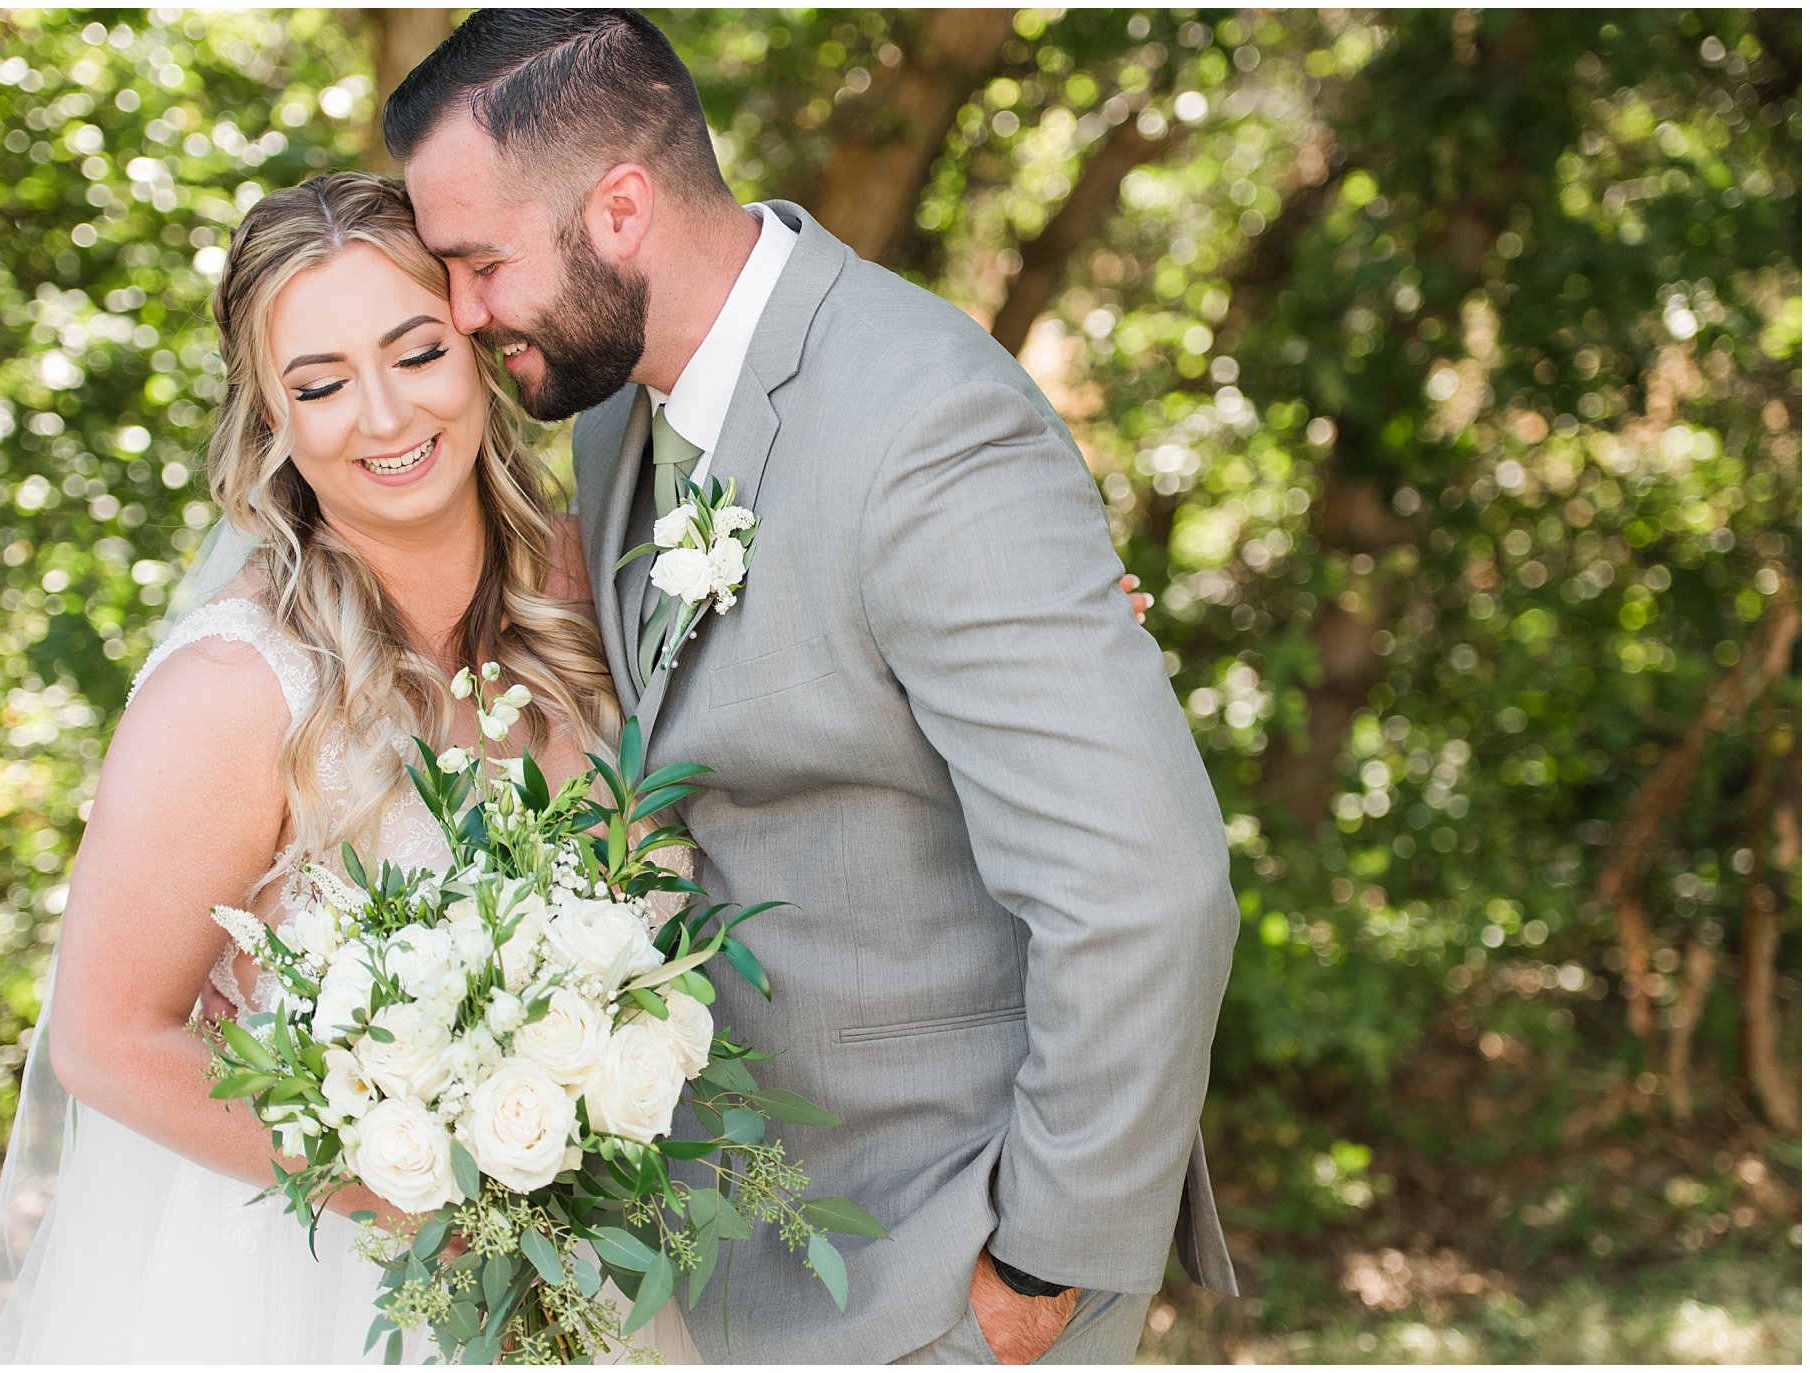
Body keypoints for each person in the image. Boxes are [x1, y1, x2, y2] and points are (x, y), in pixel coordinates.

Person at [384, 9, 1241, 1365]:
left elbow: (1143, 886)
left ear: (619, 211)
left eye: (482, 263)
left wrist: (1045, 1250)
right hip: (760, 1235)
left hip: (952, 1258)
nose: (465, 311)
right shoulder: (615, 412)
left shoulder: (927, 430)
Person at [0, 171, 709, 1361]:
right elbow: (105, 1035)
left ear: (477, 349)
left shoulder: (597, 593)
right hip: (328, 1290)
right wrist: (403, 1183)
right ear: (272, 419)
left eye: (414, 351)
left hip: (605, 1267)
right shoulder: (237, 687)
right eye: (319, 383)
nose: (380, 415)